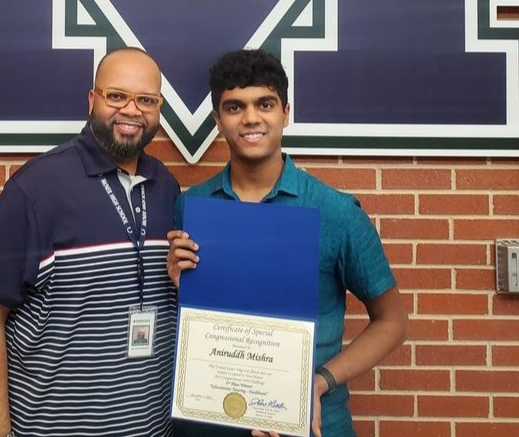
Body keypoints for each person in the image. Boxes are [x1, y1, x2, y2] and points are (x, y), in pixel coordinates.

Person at [168, 49, 408, 437]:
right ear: (217, 120)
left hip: (309, 424)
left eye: (265, 103)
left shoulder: (336, 212)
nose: (250, 118)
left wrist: (320, 381)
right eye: (234, 107)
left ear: (286, 112)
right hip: (210, 422)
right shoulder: (192, 207)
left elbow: (393, 322)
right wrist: (179, 285)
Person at [0, 47, 179, 437]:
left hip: (150, 429)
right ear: (92, 99)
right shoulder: (37, 186)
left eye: (146, 100)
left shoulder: (166, 187)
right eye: (117, 96)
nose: (132, 110)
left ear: (159, 107)